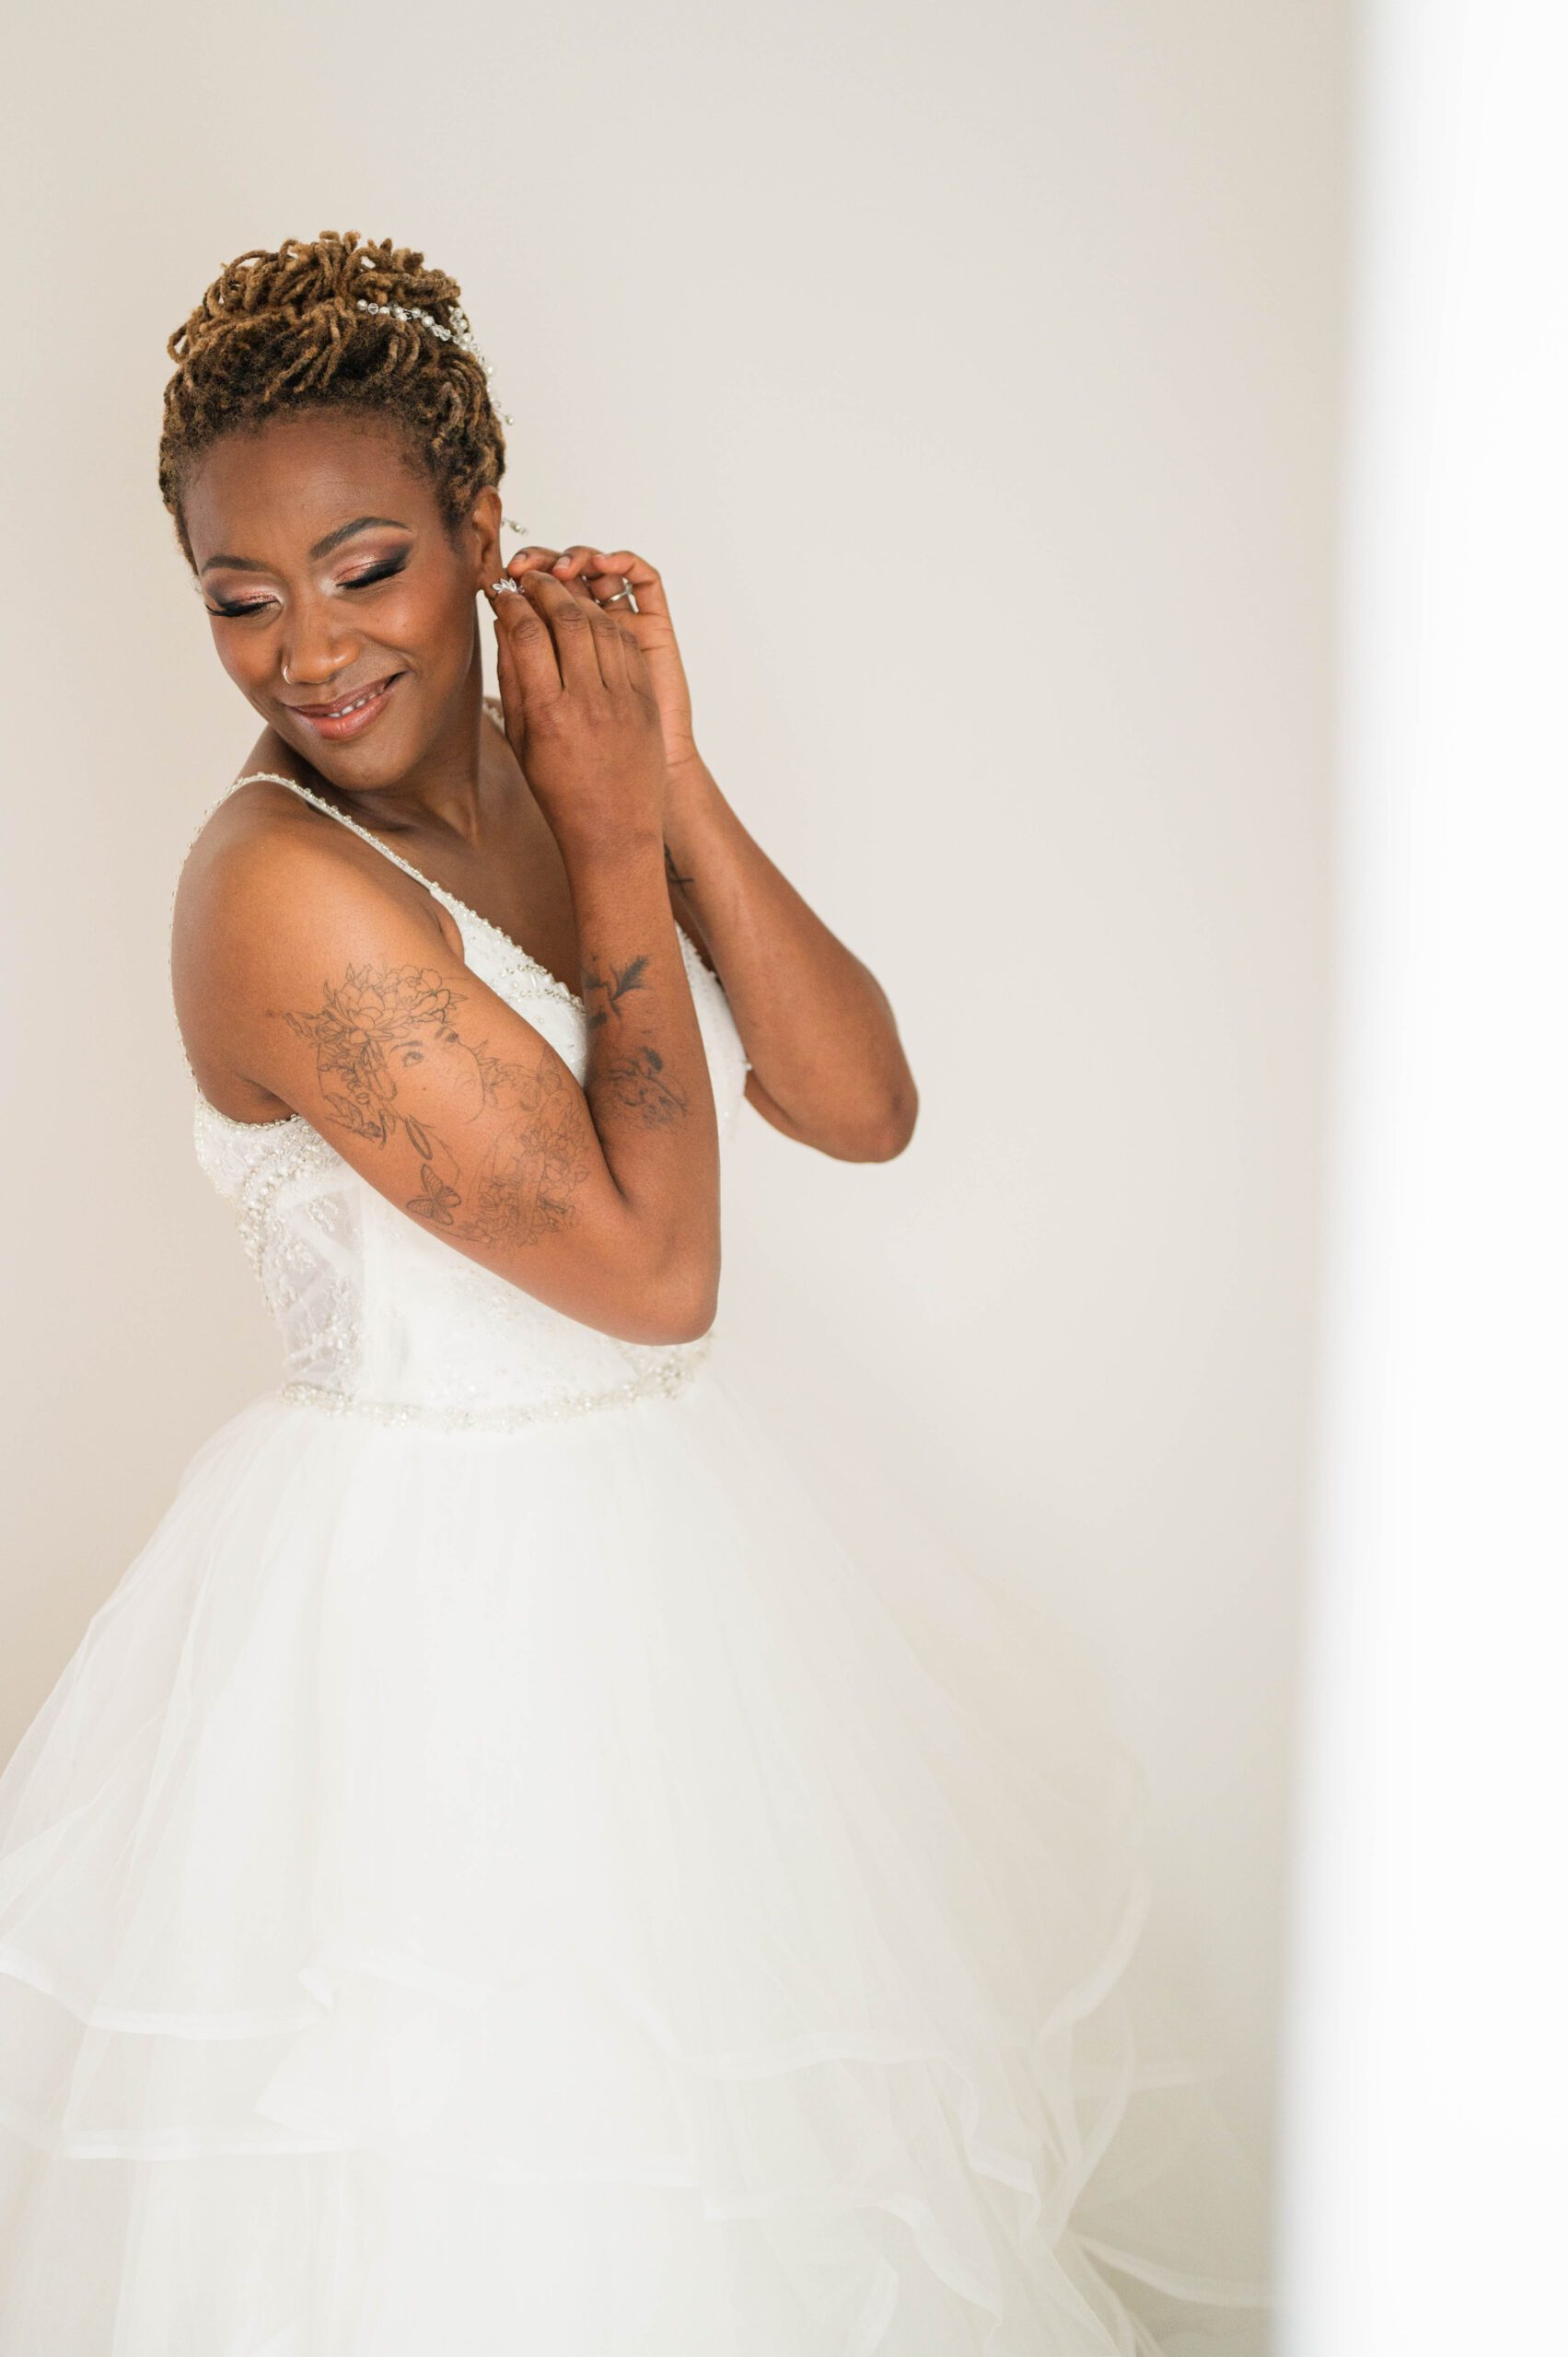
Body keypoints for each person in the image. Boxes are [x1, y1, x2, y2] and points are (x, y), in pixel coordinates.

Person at [0, 230, 1270, 2353]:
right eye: (239, 596)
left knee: (746, 2168)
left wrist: (655, 768)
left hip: (676, 1579)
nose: (307, 648)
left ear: (484, 527)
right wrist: (609, 852)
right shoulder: (271, 895)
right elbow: (655, 1271)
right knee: (491, 2190)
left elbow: (858, 1101)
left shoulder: (553, 758)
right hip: (416, 1637)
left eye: (368, 565)